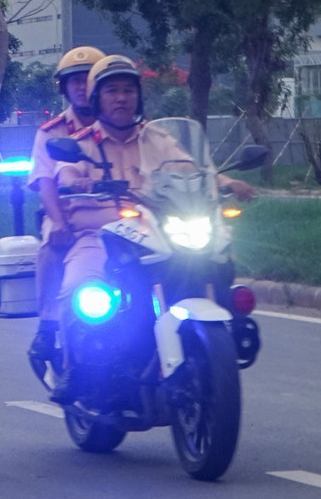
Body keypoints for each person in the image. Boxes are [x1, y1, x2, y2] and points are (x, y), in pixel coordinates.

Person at [48, 54, 255, 404]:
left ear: (138, 97)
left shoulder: (158, 138)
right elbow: (64, 175)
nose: (121, 98)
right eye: (112, 90)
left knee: (217, 255)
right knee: (81, 291)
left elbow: (194, 170)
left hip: (157, 229)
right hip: (100, 234)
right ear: (97, 98)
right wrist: (80, 182)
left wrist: (228, 180)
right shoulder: (83, 144)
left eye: (128, 90)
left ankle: (225, 330)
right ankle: (76, 369)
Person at [24, 46, 104, 379]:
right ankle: (47, 325)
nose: (82, 86)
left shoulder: (120, 125)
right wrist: (58, 221)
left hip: (120, 217)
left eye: (88, 79)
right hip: (68, 214)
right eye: (74, 81)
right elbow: (45, 183)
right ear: (64, 88)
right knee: (52, 244)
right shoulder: (51, 131)